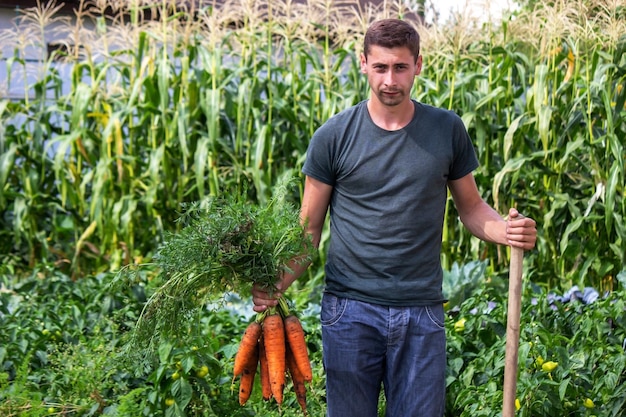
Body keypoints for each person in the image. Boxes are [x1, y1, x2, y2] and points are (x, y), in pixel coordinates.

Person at [252, 18, 537, 417]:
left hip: (421, 312)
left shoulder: (446, 130)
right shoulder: (333, 137)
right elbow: (308, 231)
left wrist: (507, 232)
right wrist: (276, 284)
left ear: (418, 65)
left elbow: (471, 208)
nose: (390, 80)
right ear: (364, 63)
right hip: (349, 312)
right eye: (381, 67)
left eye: (400, 67)